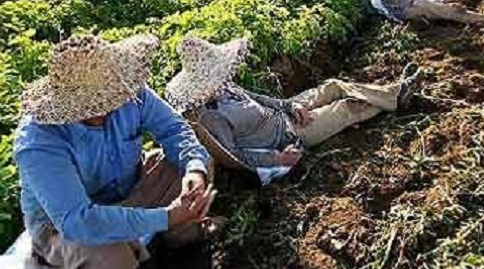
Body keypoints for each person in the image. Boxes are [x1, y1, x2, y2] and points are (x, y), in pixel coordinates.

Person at [14, 34, 215, 269]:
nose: (109, 108)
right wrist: (166, 216)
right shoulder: (39, 141)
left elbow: (175, 131)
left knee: (192, 165)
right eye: (94, 107)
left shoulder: (129, 92)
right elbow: (79, 221)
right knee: (107, 255)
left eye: (110, 99)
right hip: (65, 227)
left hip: (130, 189)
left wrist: (194, 169)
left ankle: (181, 240)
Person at [165, 35, 423, 170]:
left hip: (287, 112)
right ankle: (396, 98)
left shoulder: (224, 87)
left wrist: (291, 106)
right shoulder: (211, 118)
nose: (222, 78)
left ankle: (395, 94)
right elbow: (236, 156)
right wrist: (278, 159)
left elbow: (260, 98)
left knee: (334, 85)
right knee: (345, 108)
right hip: (288, 136)